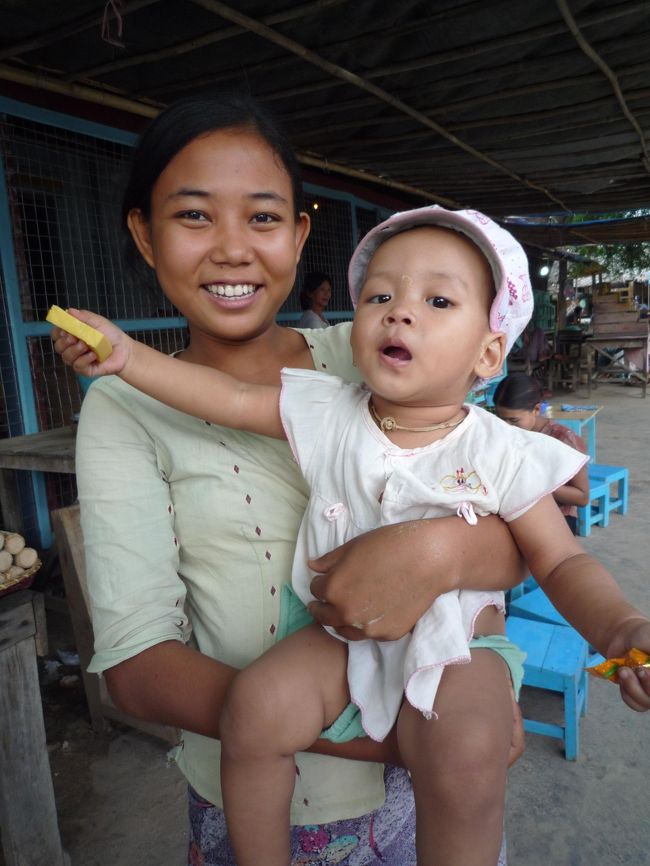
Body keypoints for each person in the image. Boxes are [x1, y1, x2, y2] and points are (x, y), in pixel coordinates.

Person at [53, 202, 650, 865]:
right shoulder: (327, 410)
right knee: (255, 705)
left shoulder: (502, 452)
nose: (400, 313)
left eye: (438, 301)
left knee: (466, 754)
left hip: (455, 650)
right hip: (341, 638)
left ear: (488, 352)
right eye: (380, 296)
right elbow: (225, 398)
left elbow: (560, 561)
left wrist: (622, 629)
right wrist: (128, 358)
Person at [492, 372, 589, 535]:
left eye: (514, 420)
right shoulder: (503, 433)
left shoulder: (563, 439)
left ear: (536, 409)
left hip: (557, 517)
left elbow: (582, 497)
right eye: (501, 419)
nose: (507, 426)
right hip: (515, 511)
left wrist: (533, 484)